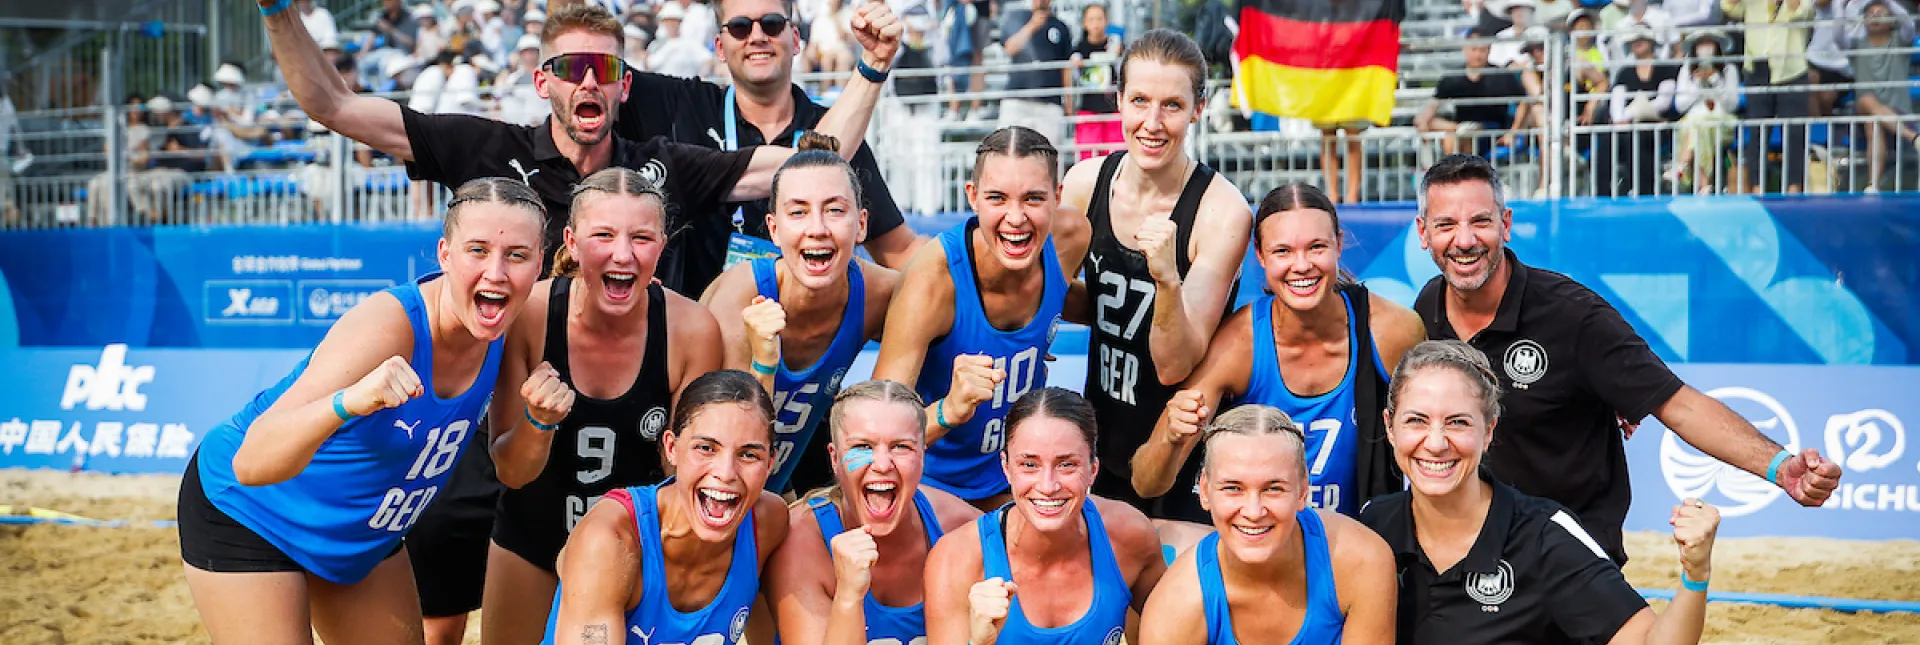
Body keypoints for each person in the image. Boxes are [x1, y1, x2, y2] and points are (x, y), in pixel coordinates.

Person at [1411, 154, 1843, 564]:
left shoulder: (1572, 315)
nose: (1464, 240)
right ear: (1423, 232)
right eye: (1446, 224)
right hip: (1478, 547)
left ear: (1505, 225)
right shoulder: (1425, 308)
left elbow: (1679, 404)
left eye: (1480, 221)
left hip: (1569, 555)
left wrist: (1780, 467)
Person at [261, 0, 893, 275]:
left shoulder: (664, 165)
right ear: (543, 81)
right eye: (571, 68)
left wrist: (870, 70)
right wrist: (275, 11)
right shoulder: (490, 150)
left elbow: (814, 164)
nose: (588, 81)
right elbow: (334, 105)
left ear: (625, 86)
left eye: (606, 69)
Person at [178, 178, 546, 644]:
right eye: (477, 250)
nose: (496, 271)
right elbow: (251, 462)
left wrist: (542, 418)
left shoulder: (516, 320)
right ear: (445, 255)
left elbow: (513, 468)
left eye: (516, 254)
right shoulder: (389, 326)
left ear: (539, 264)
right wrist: (348, 403)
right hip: (253, 513)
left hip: (362, 531)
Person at [481, 168, 726, 645]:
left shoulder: (692, 330)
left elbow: (688, 472)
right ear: (571, 242)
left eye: (641, 238)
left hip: (637, 551)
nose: (623, 254)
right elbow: (510, 471)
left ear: (662, 245)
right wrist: (538, 422)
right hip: (530, 542)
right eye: (604, 236)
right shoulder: (529, 315)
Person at [548, 0, 925, 295]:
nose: (757, 36)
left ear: (796, 40)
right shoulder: (679, 105)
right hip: (700, 345)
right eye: (740, 27)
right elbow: (578, 49)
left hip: (800, 345)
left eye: (772, 25)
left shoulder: (845, 129)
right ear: (720, 46)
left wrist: (973, 261)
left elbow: (897, 251)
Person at [1360, 340, 1722, 644]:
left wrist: (1695, 574)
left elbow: (1648, 641)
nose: (1436, 443)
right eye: (1416, 420)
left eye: (1458, 422)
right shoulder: (1372, 526)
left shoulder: (1543, 536)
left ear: (1488, 431)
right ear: (1390, 428)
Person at [1132, 184, 1425, 520]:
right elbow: (1146, 482)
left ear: (1339, 245)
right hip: (1259, 539)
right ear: (1260, 255)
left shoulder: (1392, 331)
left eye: (1316, 247)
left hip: (1357, 545)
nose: (1301, 266)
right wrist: (1171, 437)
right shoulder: (1241, 344)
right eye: (1282, 251)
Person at [1056, 30, 1253, 519]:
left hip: (1182, 447)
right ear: (1118, 101)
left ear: (1197, 109)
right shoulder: (1086, 184)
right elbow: (1052, 298)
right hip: (1100, 434)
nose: (1152, 122)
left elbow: (1174, 364)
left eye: (1171, 105)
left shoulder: (1220, 212)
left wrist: (1166, 277)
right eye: (1140, 101)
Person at [872, 126, 1091, 508]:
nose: (1016, 217)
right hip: (932, 490)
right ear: (972, 197)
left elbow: (1071, 302)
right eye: (997, 198)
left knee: (1125, 534)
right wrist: (949, 408)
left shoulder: (1069, 238)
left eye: (1034, 199)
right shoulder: (933, 282)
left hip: (1020, 480)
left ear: (1057, 198)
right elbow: (876, 431)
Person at [701, 133, 900, 496]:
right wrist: (763, 363)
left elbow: (955, 293)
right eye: (798, 212)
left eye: (835, 210)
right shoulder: (737, 301)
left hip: (774, 497)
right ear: (774, 229)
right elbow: (719, 452)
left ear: (862, 225)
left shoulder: (880, 295)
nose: (818, 229)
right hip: (712, 500)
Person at [542, 370, 790, 645]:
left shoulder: (768, 524)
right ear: (672, 448)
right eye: (706, 448)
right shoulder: (611, 539)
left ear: (770, 464)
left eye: (748, 454)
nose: (726, 472)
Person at [924, 388, 1168, 645]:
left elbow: (1175, 629)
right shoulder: (957, 559)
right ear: (1007, 468)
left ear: (1093, 469)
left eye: (1066, 464)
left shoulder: (1129, 536)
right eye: (1030, 465)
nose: (1048, 486)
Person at [1137, 405, 1396, 645]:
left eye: (1273, 488)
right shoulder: (1175, 609)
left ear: (1303, 490)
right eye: (1233, 488)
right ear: (1204, 491)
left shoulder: (1361, 561)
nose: (1253, 512)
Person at [762, 380, 982, 645]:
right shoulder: (801, 542)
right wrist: (848, 597)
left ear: (922, 455)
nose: (881, 464)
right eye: (863, 447)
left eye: (901, 446)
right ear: (834, 458)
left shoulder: (960, 528)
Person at [1724, 0, 1814, 194]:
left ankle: (1794, 187)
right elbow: (1730, 7)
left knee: (1794, 132)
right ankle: (1757, 187)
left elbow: (1800, 11)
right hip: (1757, 68)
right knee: (1757, 131)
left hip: (1792, 69)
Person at [1415, 30, 1530, 156]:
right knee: (1435, 125)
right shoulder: (1453, 77)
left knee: (1456, 138)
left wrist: (1513, 132)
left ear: (1489, 50)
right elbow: (1432, 105)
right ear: (1465, 49)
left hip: (1492, 130)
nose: (1478, 55)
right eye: (1474, 49)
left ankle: (1458, 170)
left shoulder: (1501, 75)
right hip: (1459, 127)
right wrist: (1423, 121)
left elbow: (1524, 102)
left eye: (1482, 50)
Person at [1846, 0, 1919, 192]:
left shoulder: (1901, 41)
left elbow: (1909, 23)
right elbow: (1839, 29)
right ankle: (1914, 138)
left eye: (1881, 12)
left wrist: (1887, 1)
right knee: (1867, 100)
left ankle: (1873, 185)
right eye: (1870, 13)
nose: (1875, 15)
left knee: (1874, 121)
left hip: (1899, 113)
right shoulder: (1855, 44)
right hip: (1864, 109)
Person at [1601, 26, 1678, 196]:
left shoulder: (1666, 69)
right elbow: (1617, 101)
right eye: (1634, 40)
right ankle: (1602, 194)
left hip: (1657, 125)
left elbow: (1663, 102)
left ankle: (1645, 192)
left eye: (1641, 39)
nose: (1637, 43)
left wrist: (1632, 113)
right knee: (1607, 139)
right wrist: (1620, 119)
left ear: (1651, 41)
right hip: (1627, 126)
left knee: (1637, 138)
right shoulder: (1625, 72)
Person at [1666, 29, 1741, 194]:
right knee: (1696, 127)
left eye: (1709, 43)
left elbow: (1732, 105)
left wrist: (1715, 80)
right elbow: (1680, 105)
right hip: (1694, 121)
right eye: (1701, 44)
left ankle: (1681, 165)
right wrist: (1698, 85)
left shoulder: (1729, 70)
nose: (1705, 48)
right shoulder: (1686, 70)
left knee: (1698, 127)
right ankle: (1704, 185)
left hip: (1722, 122)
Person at [996, 0, 1075, 144]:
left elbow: (1066, 66)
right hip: (1017, 99)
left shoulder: (1060, 27)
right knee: (1008, 148)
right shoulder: (1018, 18)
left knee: (1048, 154)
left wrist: (1068, 101)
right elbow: (1010, 48)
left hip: (1049, 102)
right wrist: (1032, 26)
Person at [1069, 2, 1123, 161]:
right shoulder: (1078, 49)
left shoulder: (1115, 46)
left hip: (1113, 109)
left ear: (1106, 21)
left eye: (1099, 19)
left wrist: (1118, 55)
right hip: (1089, 108)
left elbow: (1123, 72)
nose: (1096, 23)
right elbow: (1073, 74)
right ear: (1084, 23)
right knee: (1088, 157)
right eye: (1091, 19)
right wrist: (1076, 63)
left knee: (1116, 155)